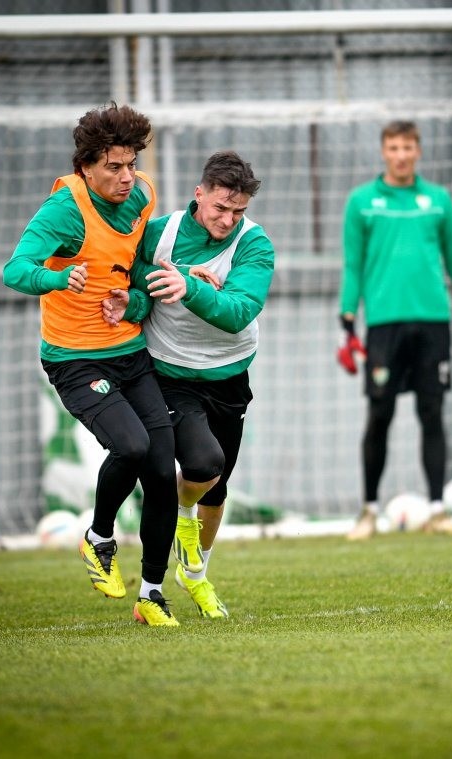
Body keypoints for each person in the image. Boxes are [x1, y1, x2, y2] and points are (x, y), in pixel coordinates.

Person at [3, 102, 180, 626]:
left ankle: (152, 596)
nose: (127, 177)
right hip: (76, 361)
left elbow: (138, 269)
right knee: (132, 445)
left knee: (162, 470)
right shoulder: (65, 210)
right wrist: (59, 279)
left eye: (131, 164)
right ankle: (99, 537)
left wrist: (136, 301)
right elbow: (15, 269)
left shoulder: (142, 195)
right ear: (85, 167)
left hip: (130, 351)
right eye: (113, 167)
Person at [101, 150, 274, 619]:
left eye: (238, 210)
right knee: (203, 463)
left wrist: (191, 287)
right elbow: (135, 280)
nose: (228, 219)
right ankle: (171, 532)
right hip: (168, 375)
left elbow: (238, 312)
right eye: (220, 207)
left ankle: (195, 575)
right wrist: (142, 296)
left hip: (230, 375)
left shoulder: (254, 244)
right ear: (199, 194)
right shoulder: (161, 232)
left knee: (216, 489)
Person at [337, 120, 452, 541]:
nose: (401, 155)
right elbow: (353, 266)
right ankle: (368, 512)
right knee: (380, 415)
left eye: (407, 147)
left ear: (418, 151)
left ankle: (437, 510)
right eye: (393, 147)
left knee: (432, 413)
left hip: (433, 323)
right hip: (383, 327)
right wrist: (347, 321)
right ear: (383, 152)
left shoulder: (438, 201)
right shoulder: (362, 202)